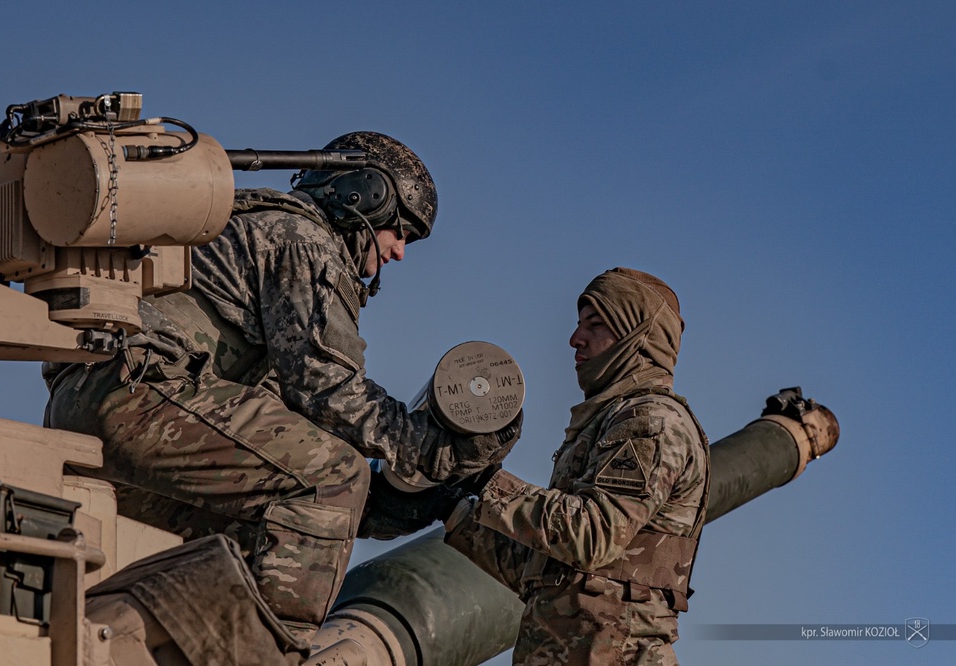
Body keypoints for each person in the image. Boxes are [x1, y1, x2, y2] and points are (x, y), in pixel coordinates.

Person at [42, 131, 520, 663]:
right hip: (142, 394)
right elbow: (326, 387)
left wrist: (422, 498)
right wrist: (430, 448)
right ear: (362, 196)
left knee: (273, 521)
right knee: (333, 475)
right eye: (399, 230)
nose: (399, 252)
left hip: (113, 406)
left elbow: (307, 478)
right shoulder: (301, 239)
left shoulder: (265, 245)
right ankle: (276, 654)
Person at [443, 267, 709, 665]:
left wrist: (488, 482)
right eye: (579, 323)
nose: (574, 339)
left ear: (637, 337)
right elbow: (548, 573)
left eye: (596, 324)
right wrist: (453, 508)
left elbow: (593, 535)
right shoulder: (607, 422)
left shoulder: (650, 422)